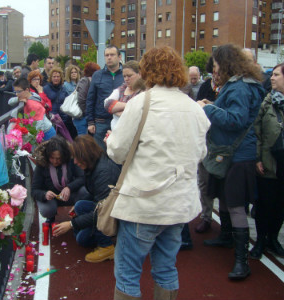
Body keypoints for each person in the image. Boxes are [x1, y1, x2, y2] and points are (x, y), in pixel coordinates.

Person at [106, 46, 210, 300]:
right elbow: (201, 153)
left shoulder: (141, 103)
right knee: (166, 269)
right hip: (178, 205)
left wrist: (110, 140)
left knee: (128, 273)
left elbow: (118, 152)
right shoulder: (194, 108)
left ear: (146, 71)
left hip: (144, 203)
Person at [197, 44, 264, 280]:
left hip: (237, 155)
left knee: (235, 205)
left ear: (225, 65)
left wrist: (208, 108)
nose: (214, 71)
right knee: (225, 198)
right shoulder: (241, 84)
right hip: (230, 153)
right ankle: (227, 237)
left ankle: (241, 261)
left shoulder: (240, 88)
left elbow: (236, 120)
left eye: (215, 66)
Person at [53, 135, 121, 263]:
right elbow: (96, 193)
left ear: (86, 156)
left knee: (81, 239)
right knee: (79, 206)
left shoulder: (103, 173)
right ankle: (100, 234)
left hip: (113, 214)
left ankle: (107, 246)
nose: (75, 162)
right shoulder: (94, 164)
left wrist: (71, 224)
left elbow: (102, 211)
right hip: (108, 208)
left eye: (77, 158)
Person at [251, 62, 284, 259]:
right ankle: (261, 240)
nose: (272, 78)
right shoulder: (267, 102)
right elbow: (257, 132)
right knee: (264, 204)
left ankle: (273, 238)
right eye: (272, 75)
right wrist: (257, 158)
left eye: (277, 75)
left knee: (280, 205)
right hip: (268, 163)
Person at [31, 136, 88, 223]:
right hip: (52, 198)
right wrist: (44, 194)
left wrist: (69, 187)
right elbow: (34, 190)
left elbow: (83, 177)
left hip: (70, 194)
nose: (55, 161)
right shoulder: (41, 165)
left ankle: (78, 213)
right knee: (46, 210)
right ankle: (51, 216)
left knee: (85, 191)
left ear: (64, 156)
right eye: (52, 158)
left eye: (58, 159)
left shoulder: (71, 160)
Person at [194, 57, 221, 234]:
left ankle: (227, 226)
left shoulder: (230, 89)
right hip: (205, 140)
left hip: (222, 144)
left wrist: (210, 105)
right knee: (203, 182)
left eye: (218, 72)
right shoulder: (205, 86)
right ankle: (206, 217)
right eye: (213, 72)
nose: (215, 76)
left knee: (221, 183)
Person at [86, 45, 124, 151]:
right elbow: (90, 99)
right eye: (107, 55)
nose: (109, 57)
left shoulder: (125, 75)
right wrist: (90, 122)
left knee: (119, 154)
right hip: (101, 122)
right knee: (100, 155)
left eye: (112, 55)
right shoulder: (97, 75)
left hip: (121, 121)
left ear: (119, 57)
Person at [104, 60, 145, 131]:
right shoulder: (122, 89)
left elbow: (137, 114)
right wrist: (129, 106)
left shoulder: (144, 91)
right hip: (117, 132)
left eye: (129, 76)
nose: (126, 79)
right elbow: (107, 104)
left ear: (139, 74)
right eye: (124, 76)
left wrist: (115, 110)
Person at [44, 67, 77, 139]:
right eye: (54, 76)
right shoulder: (46, 89)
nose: (56, 78)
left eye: (58, 76)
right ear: (51, 78)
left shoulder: (64, 88)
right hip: (52, 120)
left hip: (64, 120)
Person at [74, 62, 101, 135]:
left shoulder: (93, 80)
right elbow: (81, 99)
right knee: (83, 142)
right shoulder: (85, 80)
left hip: (88, 117)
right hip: (83, 117)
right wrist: (88, 114)